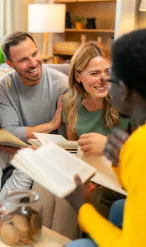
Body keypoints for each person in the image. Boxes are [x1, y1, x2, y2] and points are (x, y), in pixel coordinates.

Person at [65, 28, 146, 247]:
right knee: (119, 209)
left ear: (125, 89)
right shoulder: (137, 142)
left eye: (111, 76)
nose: (105, 81)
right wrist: (121, 161)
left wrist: (81, 207)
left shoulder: (139, 145)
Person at [0, 31, 68, 201]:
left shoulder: (61, 84)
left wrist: (34, 146)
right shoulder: (5, 85)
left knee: (27, 163)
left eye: (34, 54)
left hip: (47, 148)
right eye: (23, 60)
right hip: (16, 143)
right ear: (10, 64)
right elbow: (10, 131)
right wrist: (50, 126)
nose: (33, 63)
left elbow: (64, 139)